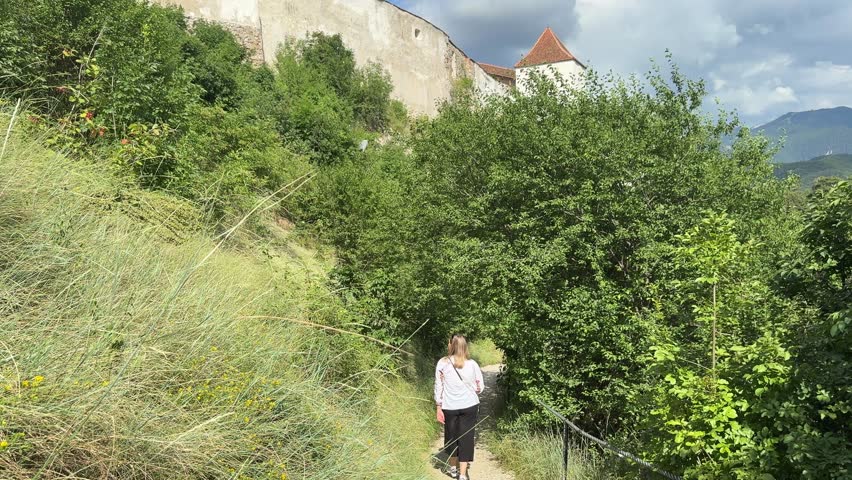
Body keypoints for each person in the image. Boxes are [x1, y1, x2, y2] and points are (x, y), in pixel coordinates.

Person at [434, 334, 484, 480]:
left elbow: (439, 386)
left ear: (451, 345)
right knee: (466, 438)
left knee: (451, 436)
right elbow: (480, 387)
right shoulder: (472, 364)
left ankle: (453, 468)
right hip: (469, 406)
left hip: (450, 406)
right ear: (464, 346)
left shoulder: (443, 363)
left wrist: (438, 406)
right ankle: (463, 475)